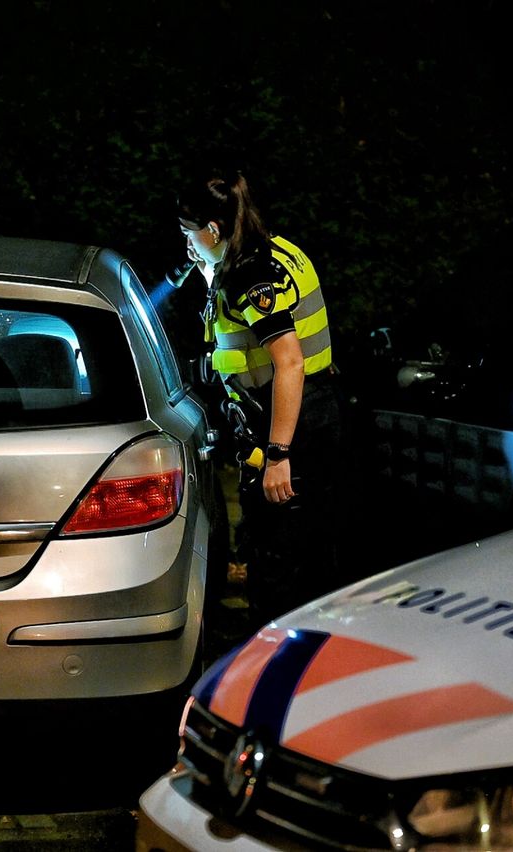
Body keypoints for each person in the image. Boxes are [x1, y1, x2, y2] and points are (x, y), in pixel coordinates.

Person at [175, 167, 344, 624]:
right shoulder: (276, 251)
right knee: (311, 561)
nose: (185, 242)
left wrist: (277, 455)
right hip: (316, 414)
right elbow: (245, 349)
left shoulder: (247, 276)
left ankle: (274, 672)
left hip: (292, 424)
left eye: (189, 232)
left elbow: (289, 361)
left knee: (280, 570)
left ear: (213, 230)